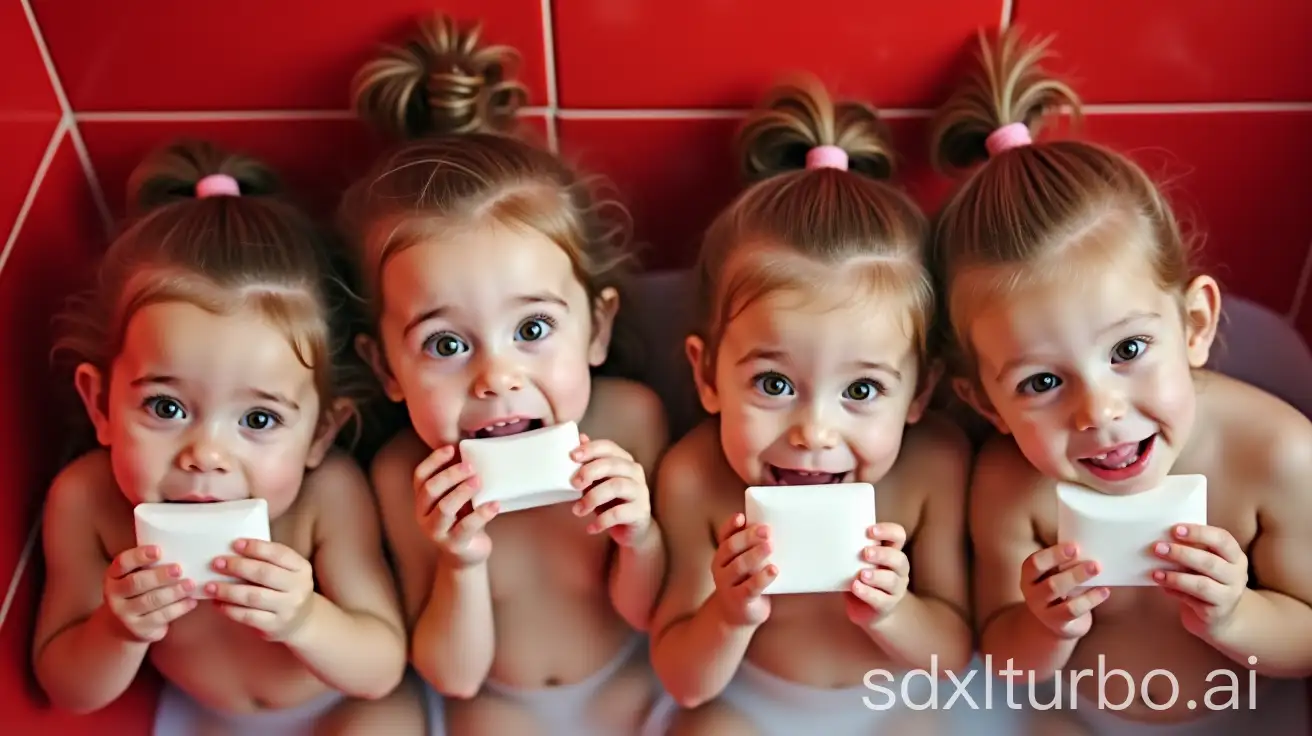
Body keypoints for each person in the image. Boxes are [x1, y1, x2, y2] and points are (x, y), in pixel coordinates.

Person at [930, 26, 1312, 734]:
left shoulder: (1276, 456)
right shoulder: (1011, 486)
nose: (1098, 412)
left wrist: (1236, 614)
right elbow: (1006, 661)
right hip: (1074, 715)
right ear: (986, 403)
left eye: (1129, 348)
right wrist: (1048, 627)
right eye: (1041, 383)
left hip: (1244, 713)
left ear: (1194, 325)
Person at [340, 13, 669, 735]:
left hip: (631, 683)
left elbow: (656, 624)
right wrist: (459, 559)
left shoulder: (630, 422)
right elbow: (453, 676)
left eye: (531, 330)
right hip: (494, 705)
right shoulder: (406, 476)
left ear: (598, 328)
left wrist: (638, 537)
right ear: (385, 367)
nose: (495, 376)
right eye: (446, 344)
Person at [33, 140, 408, 734]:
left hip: (347, 707)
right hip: (204, 715)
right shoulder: (86, 502)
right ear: (100, 403)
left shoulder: (326, 495)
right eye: (166, 406)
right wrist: (117, 628)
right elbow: (65, 687)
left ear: (320, 433)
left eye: (258, 420)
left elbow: (382, 667)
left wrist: (305, 618)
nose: (205, 454)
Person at [645, 75, 978, 735]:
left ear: (921, 392)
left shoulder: (932, 468)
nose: (814, 431)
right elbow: (682, 682)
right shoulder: (695, 478)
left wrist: (894, 610)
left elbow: (954, 659)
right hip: (750, 706)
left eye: (861, 391)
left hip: (895, 705)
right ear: (707, 375)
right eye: (773, 385)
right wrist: (728, 614)